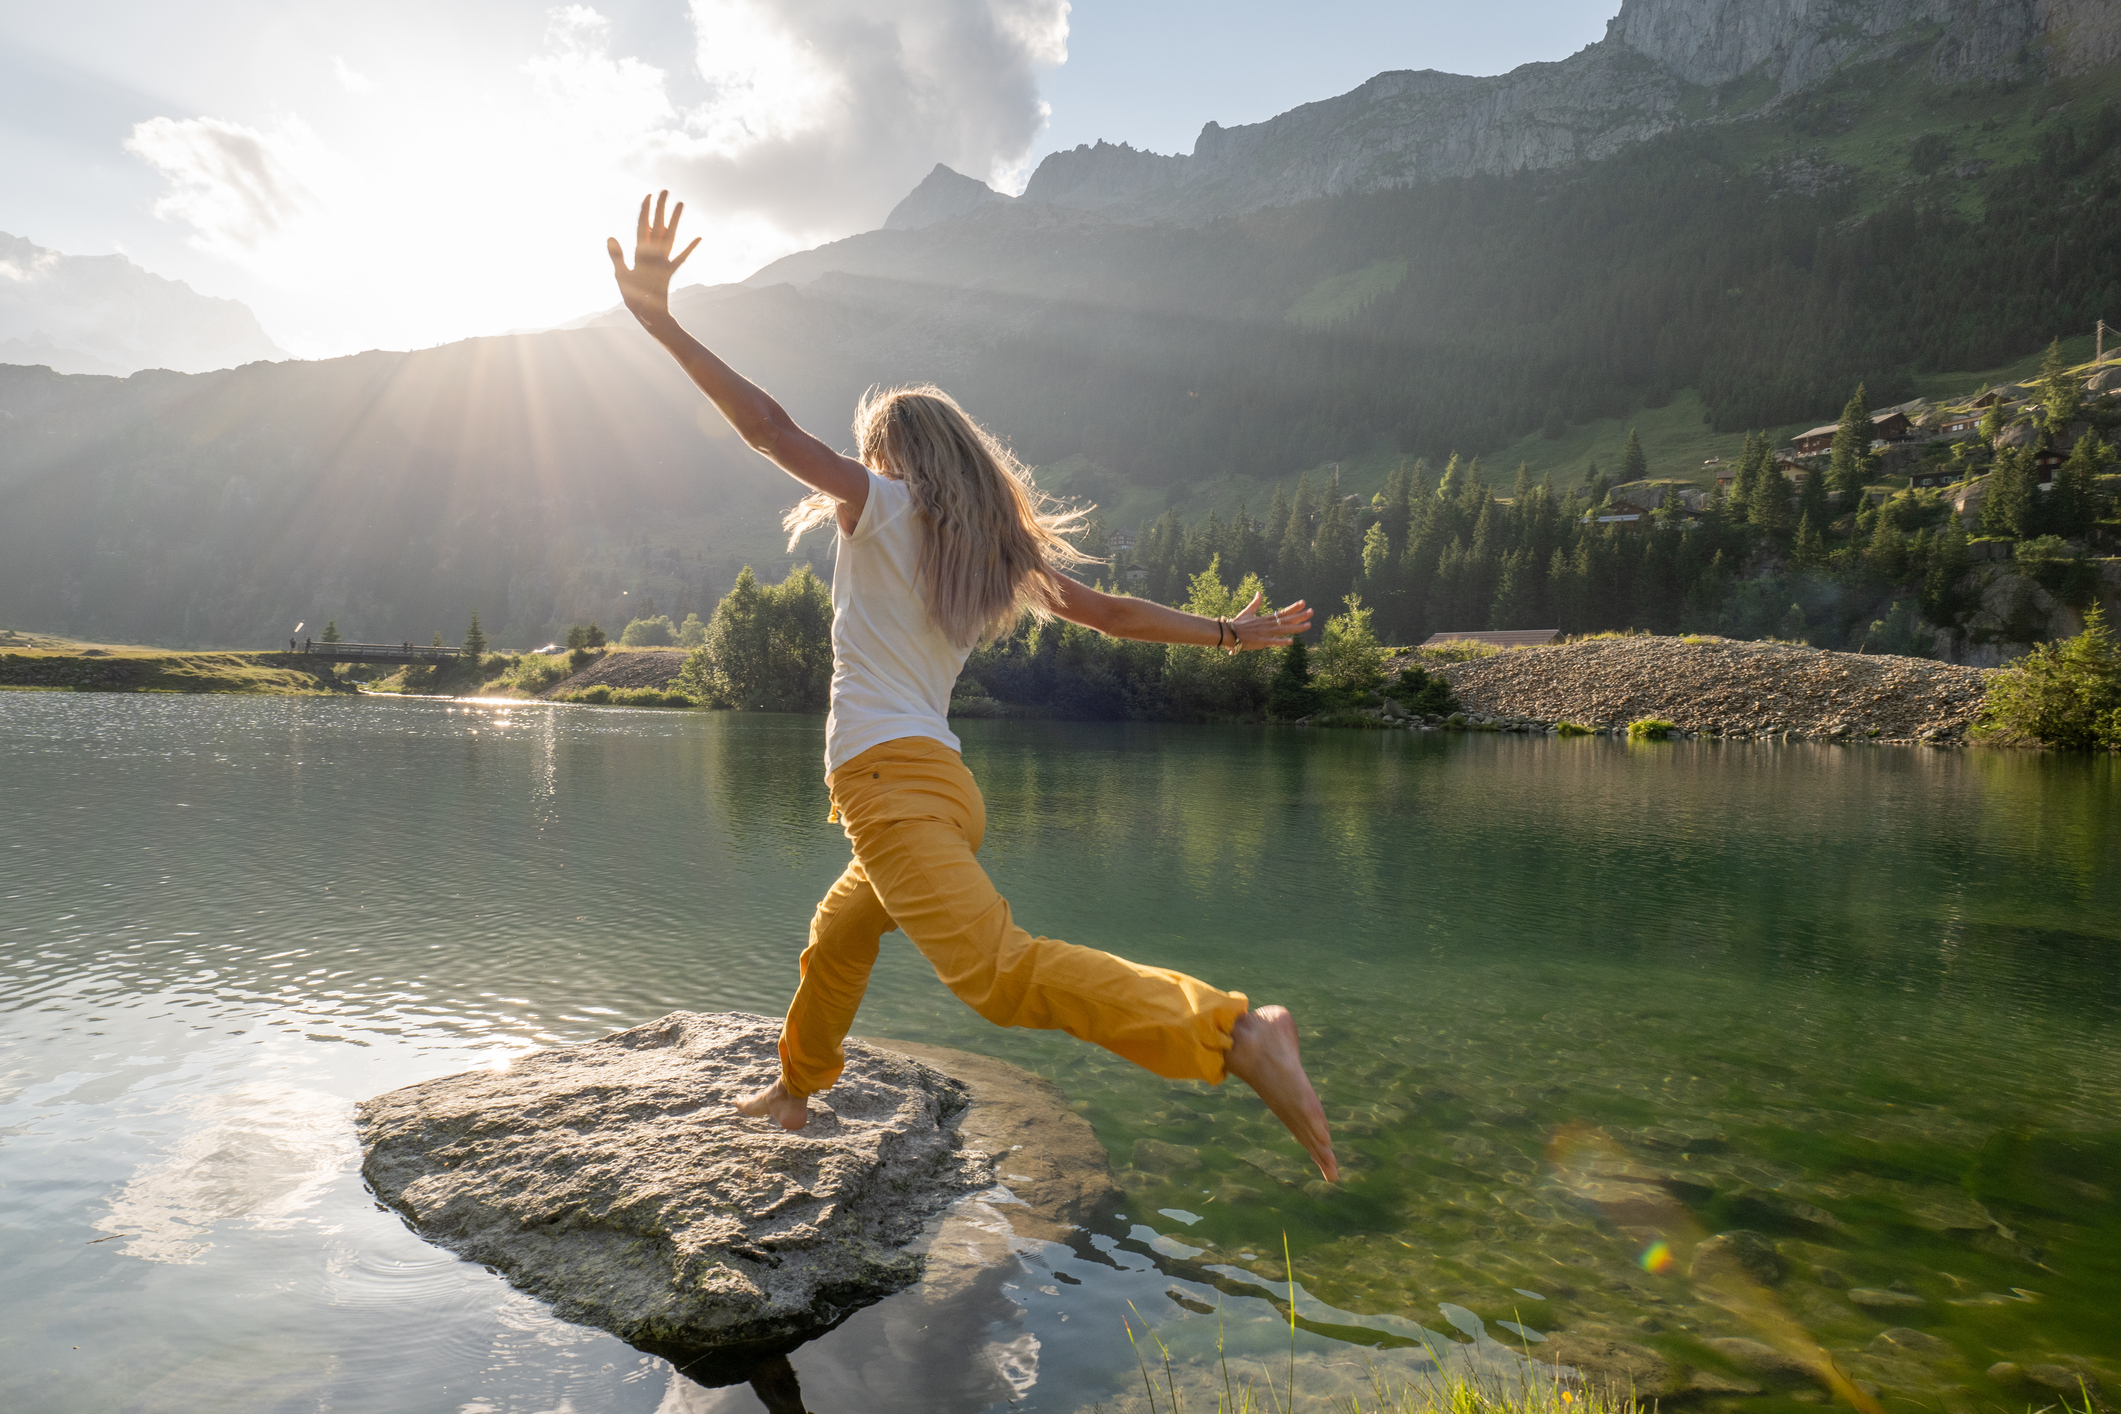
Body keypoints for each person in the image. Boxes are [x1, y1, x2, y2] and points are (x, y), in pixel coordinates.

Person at [607, 192, 1336, 1181]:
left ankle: (1233, 1031)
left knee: (999, 976)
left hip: (891, 789)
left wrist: (661, 323)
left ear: (889, 457)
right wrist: (1231, 635)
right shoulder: (991, 550)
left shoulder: (879, 505)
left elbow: (769, 426)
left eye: (867, 456)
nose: (857, 472)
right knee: (839, 936)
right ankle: (794, 1089)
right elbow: (1113, 614)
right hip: (939, 791)